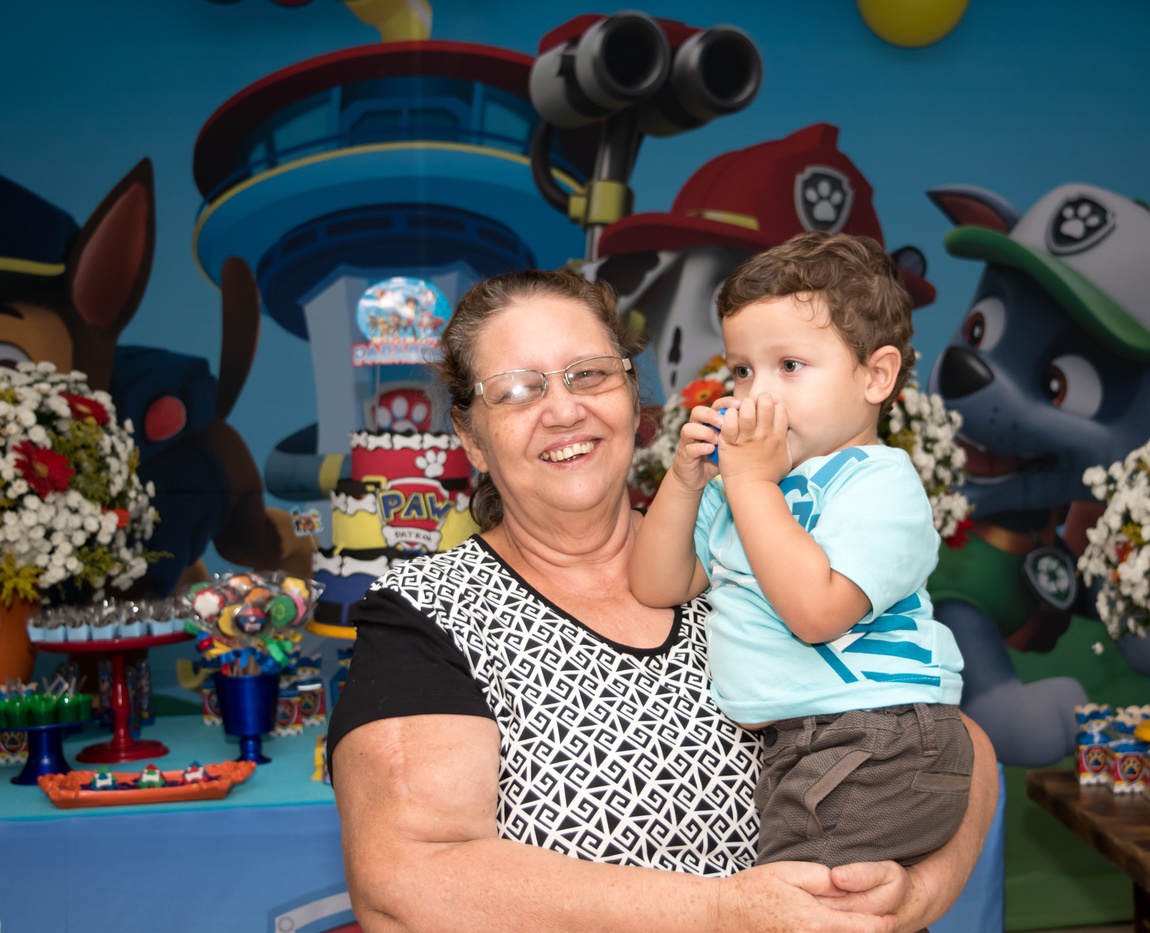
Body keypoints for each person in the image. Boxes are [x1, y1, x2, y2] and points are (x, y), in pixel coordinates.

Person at [328, 269, 998, 933]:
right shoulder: (428, 613)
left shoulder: (751, 542)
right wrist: (721, 913)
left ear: (632, 397)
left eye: (589, 374)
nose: (563, 410)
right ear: (472, 437)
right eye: (517, 389)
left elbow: (952, 739)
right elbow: (405, 881)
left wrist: (913, 895)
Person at [630, 232, 970, 870]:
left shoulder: (880, 483)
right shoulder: (743, 488)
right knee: (811, 902)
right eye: (742, 370)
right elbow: (657, 584)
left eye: (789, 365)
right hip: (809, 743)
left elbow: (817, 614)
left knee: (805, 905)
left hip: (881, 737)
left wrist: (751, 485)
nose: (758, 395)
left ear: (876, 376)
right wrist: (684, 480)